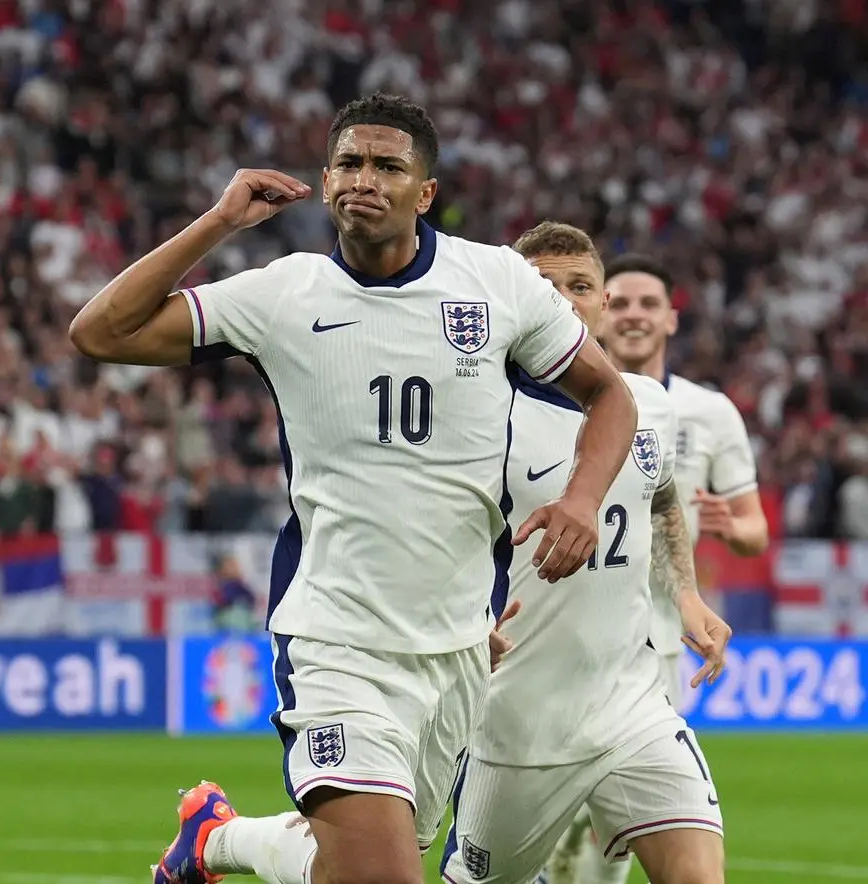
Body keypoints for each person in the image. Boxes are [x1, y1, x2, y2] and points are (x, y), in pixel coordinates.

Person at [68, 92, 639, 884]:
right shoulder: (282, 294)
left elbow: (611, 395)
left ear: (425, 193)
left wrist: (581, 499)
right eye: (348, 163)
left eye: (387, 165)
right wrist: (220, 222)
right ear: (326, 180)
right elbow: (101, 332)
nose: (363, 179)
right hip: (336, 638)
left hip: (457, 646)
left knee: (360, 862)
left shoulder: (498, 283)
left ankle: (215, 839)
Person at [438, 222, 732, 884]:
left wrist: (685, 594)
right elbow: (424, 535)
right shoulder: (480, 417)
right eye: (545, 287)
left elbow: (659, 502)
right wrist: (454, 620)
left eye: (581, 287)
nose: (566, 302)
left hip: (634, 707)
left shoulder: (647, 404)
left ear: (603, 303)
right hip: (517, 725)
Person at [546, 254, 770, 884]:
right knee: (551, 820)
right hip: (557, 623)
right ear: (596, 311)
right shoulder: (550, 397)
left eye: (650, 304)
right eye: (620, 302)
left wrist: (732, 526)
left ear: (673, 319)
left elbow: (757, 531)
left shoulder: (709, 412)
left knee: (624, 819)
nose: (635, 315)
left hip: (657, 636)